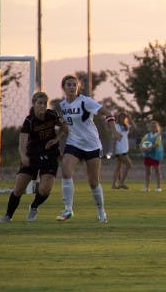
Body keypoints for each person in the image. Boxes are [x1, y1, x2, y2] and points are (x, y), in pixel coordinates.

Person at [0, 92, 68, 223]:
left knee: (45, 190)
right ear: (34, 104)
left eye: (44, 103)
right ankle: (8, 215)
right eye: (39, 103)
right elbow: (22, 142)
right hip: (32, 157)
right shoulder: (29, 121)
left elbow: (65, 128)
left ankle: (34, 206)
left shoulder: (52, 115)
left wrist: (56, 139)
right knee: (18, 189)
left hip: (50, 156)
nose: (42, 106)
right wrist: (23, 156)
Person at [56, 75, 116, 223]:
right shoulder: (62, 106)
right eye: (68, 84)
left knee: (93, 182)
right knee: (65, 170)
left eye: (74, 85)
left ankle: (101, 212)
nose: (71, 87)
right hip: (74, 143)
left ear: (78, 87)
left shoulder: (85, 101)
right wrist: (55, 138)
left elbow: (107, 113)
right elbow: (65, 126)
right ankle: (68, 210)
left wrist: (113, 130)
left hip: (92, 145)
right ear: (63, 88)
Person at [140, 120, 164, 192]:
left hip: (155, 156)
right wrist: (142, 148)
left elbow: (156, 144)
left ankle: (158, 187)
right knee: (148, 172)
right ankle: (147, 187)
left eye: (154, 126)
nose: (153, 128)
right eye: (152, 126)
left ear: (157, 128)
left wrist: (148, 148)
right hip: (148, 156)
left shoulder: (158, 135)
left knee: (157, 171)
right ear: (150, 127)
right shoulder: (147, 135)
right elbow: (142, 143)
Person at [112, 112, 134, 190]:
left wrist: (130, 118)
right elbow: (115, 138)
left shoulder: (125, 126)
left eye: (124, 117)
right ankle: (121, 183)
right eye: (121, 117)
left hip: (124, 149)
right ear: (118, 118)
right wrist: (114, 151)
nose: (122, 118)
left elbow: (134, 127)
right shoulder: (117, 126)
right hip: (120, 150)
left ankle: (114, 185)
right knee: (129, 165)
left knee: (118, 167)